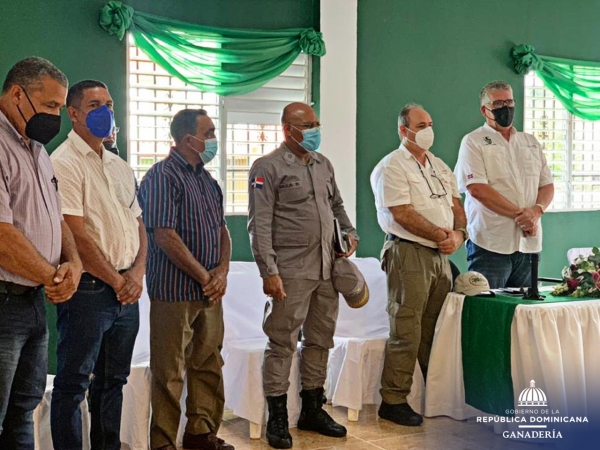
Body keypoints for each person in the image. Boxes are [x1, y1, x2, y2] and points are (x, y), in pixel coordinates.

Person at [248, 102, 358, 449]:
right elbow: (259, 224)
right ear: (287, 129)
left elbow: (337, 205)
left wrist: (350, 233)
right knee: (282, 342)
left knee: (320, 340)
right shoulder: (267, 167)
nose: (314, 130)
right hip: (291, 272)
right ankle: (278, 417)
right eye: (307, 125)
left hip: (328, 268)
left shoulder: (323, 164)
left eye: (316, 123)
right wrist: (269, 271)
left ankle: (313, 408)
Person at [50, 80, 147, 450]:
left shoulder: (120, 165)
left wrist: (136, 274)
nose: (105, 111)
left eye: (108, 103)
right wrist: (117, 280)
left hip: (127, 293)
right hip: (89, 291)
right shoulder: (63, 163)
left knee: (113, 382)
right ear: (73, 114)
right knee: (73, 385)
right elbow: (74, 234)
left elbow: (138, 224)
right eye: (94, 105)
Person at [138, 109, 233, 450]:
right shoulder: (162, 176)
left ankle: (199, 432)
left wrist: (221, 272)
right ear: (186, 138)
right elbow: (164, 234)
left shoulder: (208, 181)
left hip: (210, 292)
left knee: (208, 363)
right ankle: (163, 442)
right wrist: (204, 275)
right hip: (174, 292)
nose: (213, 140)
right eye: (208, 132)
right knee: (170, 371)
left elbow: (223, 231)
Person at [0, 56, 82, 450]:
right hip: (4, 301)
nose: (56, 116)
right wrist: (53, 276)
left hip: (33, 301)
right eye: (50, 106)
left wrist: (75, 263)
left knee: (23, 410)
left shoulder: (36, 148)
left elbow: (56, 216)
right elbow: (1, 235)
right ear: (18, 94)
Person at [370, 103, 466, 427]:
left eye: (430, 123)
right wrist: (442, 234)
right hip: (408, 254)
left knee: (435, 330)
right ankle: (393, 400)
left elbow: (457, 205)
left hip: (441, 257)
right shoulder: (393, 166)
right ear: (403, 130)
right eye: (420, 125)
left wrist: (459, 234)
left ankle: (432, 395)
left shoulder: (439, 165)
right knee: (406, 329)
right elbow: (401, 212)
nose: (428, 130)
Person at [454, 81, 554, 288]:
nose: (505, 108)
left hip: (529, 245)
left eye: (509, 102)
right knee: (488, 312)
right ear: (485, 110)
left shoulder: (530, 142)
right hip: (490, 244)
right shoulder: (473, 141)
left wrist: (536, 211)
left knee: (524, 314)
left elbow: (547, 185)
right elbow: (478, 189)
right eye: (498, 103)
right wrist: (522, 216)